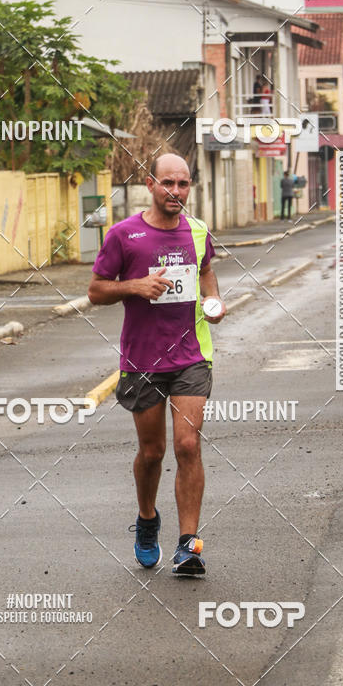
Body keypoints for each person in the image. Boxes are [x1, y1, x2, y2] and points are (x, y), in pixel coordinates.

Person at [88, 154, 226, 576]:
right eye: (168, 183)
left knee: (188, 445)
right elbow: (96, 291)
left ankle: (190, 545)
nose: (176, 192)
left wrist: (213, 301)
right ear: (150, 183)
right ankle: (147, 518)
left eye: (184, 184)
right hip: (143, 359)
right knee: (153, 452)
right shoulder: (123, 235)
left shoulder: (198, 230)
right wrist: (135, 286)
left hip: (191, 356)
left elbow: (205, 272)